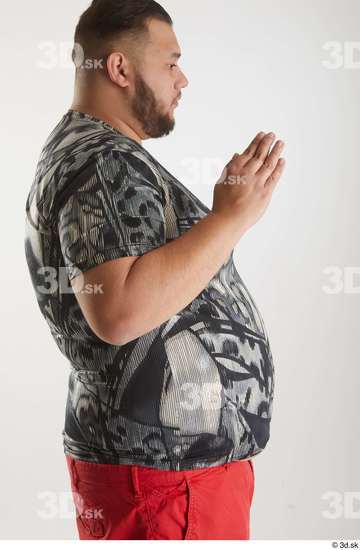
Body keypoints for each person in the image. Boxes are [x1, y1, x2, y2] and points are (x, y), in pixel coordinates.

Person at [24, 0, 286, 540]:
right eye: (170, 62)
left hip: (166, 479)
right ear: (119, 69)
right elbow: (119, 312)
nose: (182, 78)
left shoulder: (96, 152)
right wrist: (229, 220)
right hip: (165, 487)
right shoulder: (102, 160)